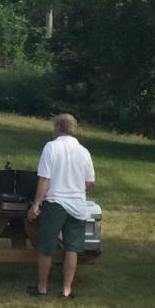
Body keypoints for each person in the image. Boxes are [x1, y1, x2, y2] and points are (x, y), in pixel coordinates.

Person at [26, 113, 95, 298]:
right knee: (72, 248)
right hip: (78, 205)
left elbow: (44, 179)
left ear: (58, 128)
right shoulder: (84, 151)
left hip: (55, 202)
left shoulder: (51, 147)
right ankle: (66, 289)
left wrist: (36, 204)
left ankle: (42, 287)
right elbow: (90, 183)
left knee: (46, 246)